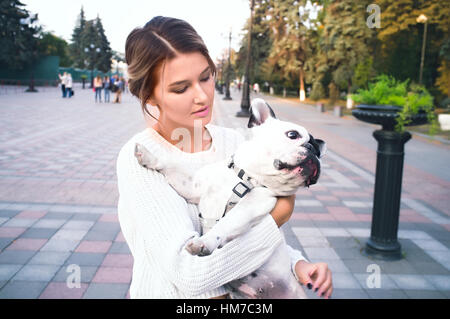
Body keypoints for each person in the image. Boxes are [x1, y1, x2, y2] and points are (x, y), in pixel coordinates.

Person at [117, 16, 333, 299]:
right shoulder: (140, 159)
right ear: (149, 95)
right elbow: (189, 275)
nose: (202, 96)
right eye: (181, 88)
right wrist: (278, 216)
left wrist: (295, 263)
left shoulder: (233, 142)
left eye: (206, 77)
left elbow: (251, 231)